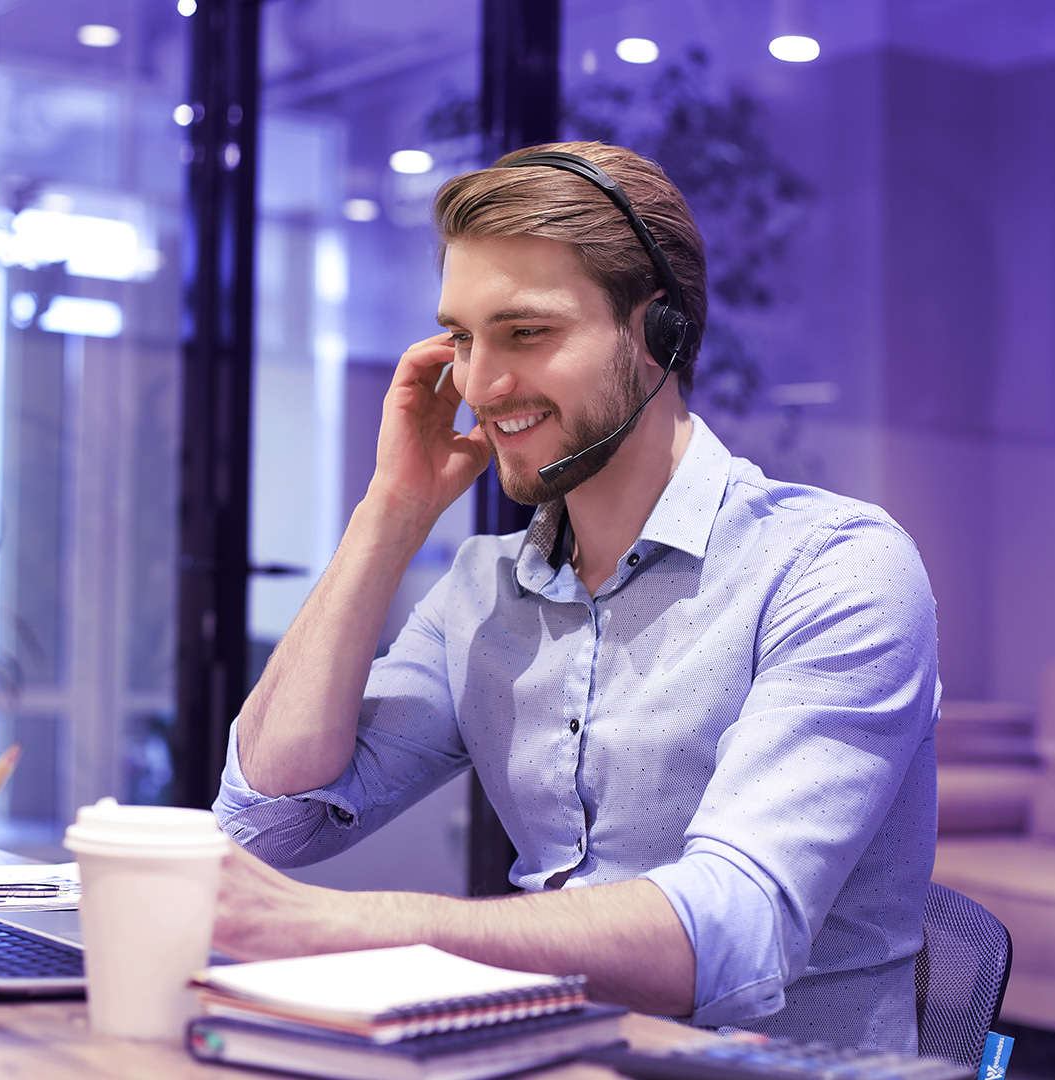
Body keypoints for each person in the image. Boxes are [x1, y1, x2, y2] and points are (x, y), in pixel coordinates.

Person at [210, 141, 940, 1051]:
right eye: (463, 340)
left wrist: (335, 928)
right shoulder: (482, 589)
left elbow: (729, 931)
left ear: (659, 334)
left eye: (527, 333)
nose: (477, 388)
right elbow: (268, 823)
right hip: (540, 1059)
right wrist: (389, 514)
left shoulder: (834, 567)